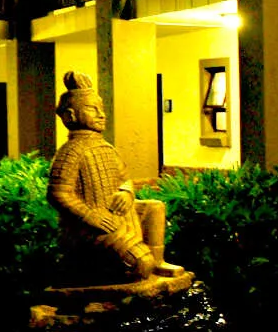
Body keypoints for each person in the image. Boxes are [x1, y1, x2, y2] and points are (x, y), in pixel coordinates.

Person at [47, 71, 182, 281]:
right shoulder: (70, 152)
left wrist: (126, 192)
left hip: (118, 216)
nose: (102, 115)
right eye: (93, 110)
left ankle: (157, 261)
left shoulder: (106, 148)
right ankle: (106, 269)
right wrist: (90, 216)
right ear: (70, 116)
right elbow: (58, 194)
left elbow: (124, 178)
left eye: (101, 109)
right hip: (88, 229)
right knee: (139, 266)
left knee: (154, 208)